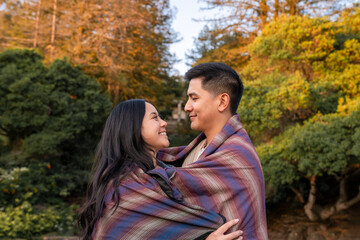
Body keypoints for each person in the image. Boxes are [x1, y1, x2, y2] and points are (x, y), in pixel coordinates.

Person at [78, 99, 243, 240]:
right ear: (133, 128)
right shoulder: (124, 185)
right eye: (155, 117)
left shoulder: (172, 172)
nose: (164, 123)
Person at [153, 62, 268, 240]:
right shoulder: (195, 150)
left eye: (194, 98)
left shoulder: (238, 155)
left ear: (222, 102)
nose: (187, 107)